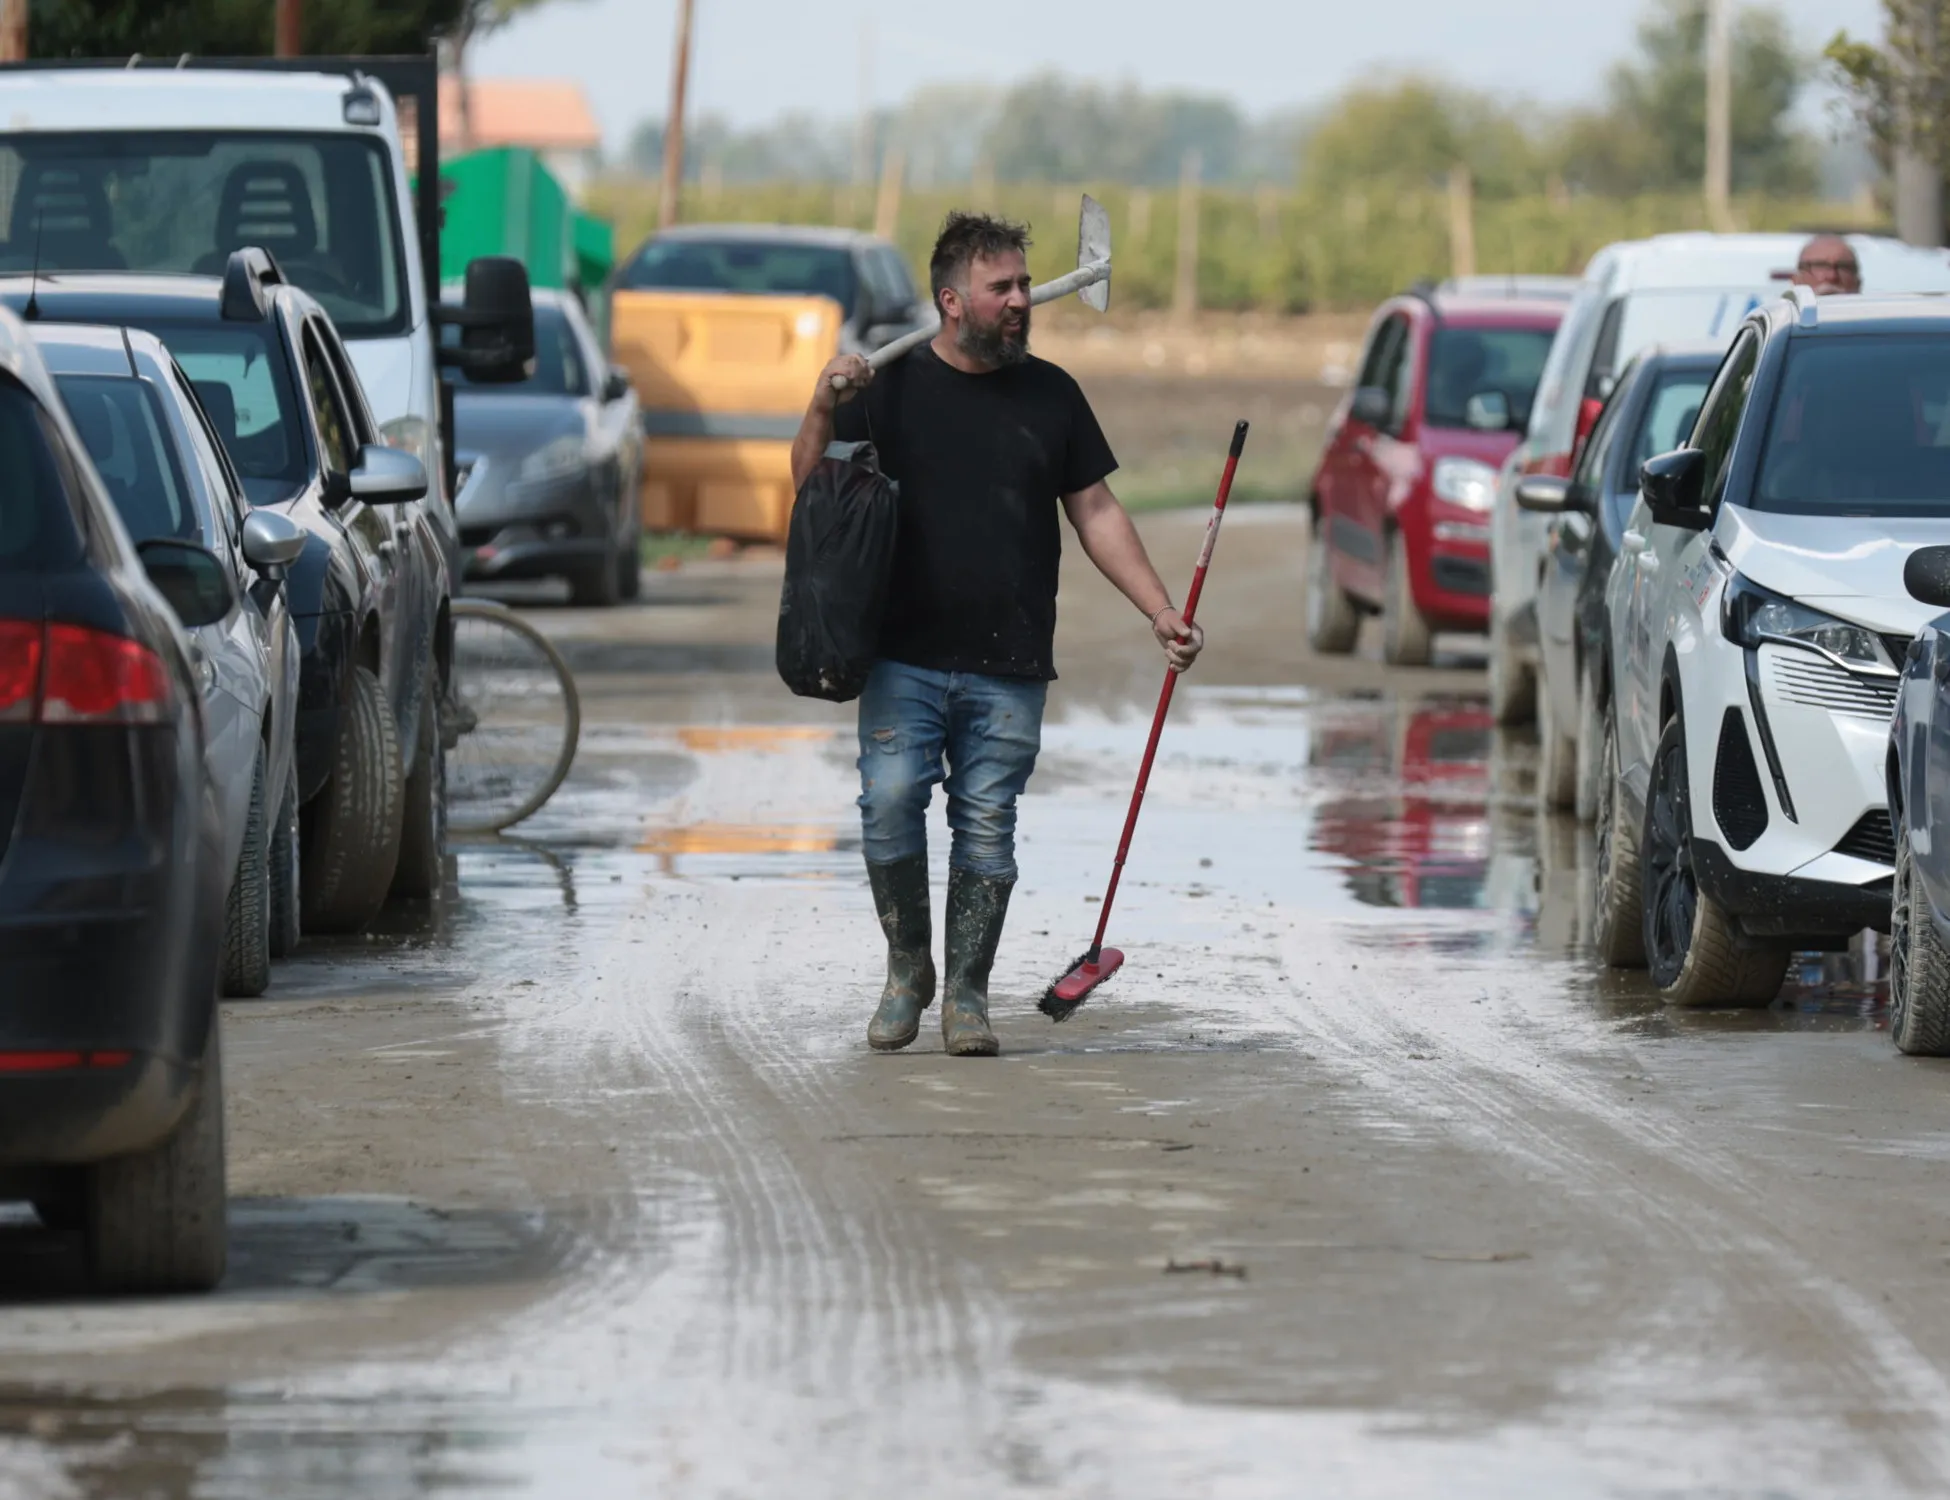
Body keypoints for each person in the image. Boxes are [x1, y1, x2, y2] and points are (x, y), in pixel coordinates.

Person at [789, 211, 1204, 1059]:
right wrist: (822, 403)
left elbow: (1094, 510)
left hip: (1010, 660)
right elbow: (808, 486)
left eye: (1025, 284)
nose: (1023, 299)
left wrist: (1159, 608)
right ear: (951, 301)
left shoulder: (1052, 394)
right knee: (892, 805)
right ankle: (910, 972)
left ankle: (968, 994)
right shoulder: (891, 388)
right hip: (902, 653)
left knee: (987, 823)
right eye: (1002, 288)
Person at [1791, 235, 1861, 296]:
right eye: (1819, 266)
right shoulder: (1783, 311)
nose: (1832, 276)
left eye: (1842, 267)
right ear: (1796, 281)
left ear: (1857, 283)